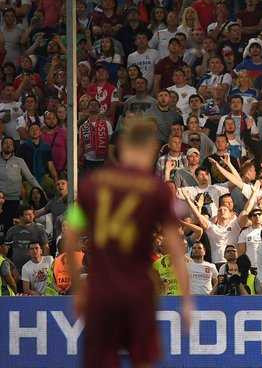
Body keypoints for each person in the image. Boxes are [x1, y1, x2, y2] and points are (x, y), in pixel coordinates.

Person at [64, 118, 192, 368]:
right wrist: (186, 300)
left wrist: (79, 291)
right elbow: (176, 248)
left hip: (101, 291)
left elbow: (69, 238)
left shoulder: (92, 184)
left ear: (121, 146)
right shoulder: (156, 190)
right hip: (138, 292)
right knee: (142, 360)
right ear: (152, 148)